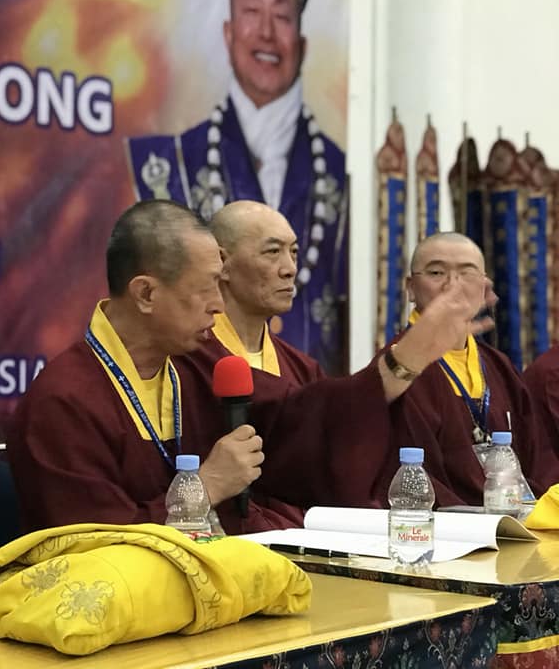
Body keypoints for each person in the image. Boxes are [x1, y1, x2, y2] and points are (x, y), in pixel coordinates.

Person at [184, 203, 505, 510]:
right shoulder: (192, 357)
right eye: (272, 252)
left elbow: (335, 458)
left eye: (294, 252)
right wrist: (402, 363)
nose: (290, 269)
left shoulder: (301, 366)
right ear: (223, 262)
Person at [7, 200, 300, 535]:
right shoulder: (64, 400)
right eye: (206, 288)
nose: (219, 306)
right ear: (145, 293)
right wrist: (205, 488)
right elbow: (94, 542)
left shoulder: (195, 371)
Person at [126, 0, 347, 373]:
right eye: (251, 11)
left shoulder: (340, 173)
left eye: (282, 15)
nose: (266, 32)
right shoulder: (163, 164)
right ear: (228, 33)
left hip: (306, 390)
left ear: (302, 43)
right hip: (201, 384)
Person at [387, 232, 559, 506]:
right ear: (410, 288)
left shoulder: (499, 366)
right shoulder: (394, 369)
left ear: (483, 287)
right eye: (436, 272)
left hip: (512, 519)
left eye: (467, 274)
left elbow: (535, 459)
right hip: (441, 522)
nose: (452, 286)